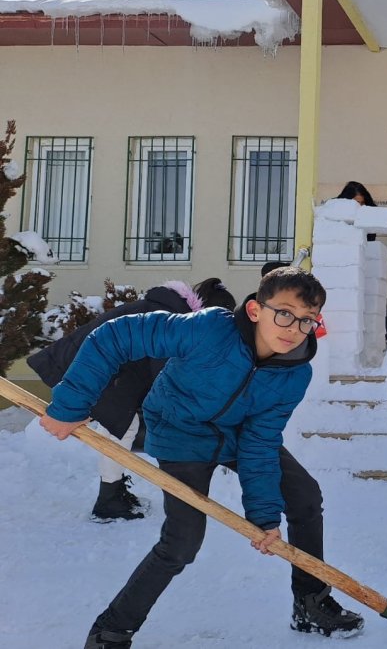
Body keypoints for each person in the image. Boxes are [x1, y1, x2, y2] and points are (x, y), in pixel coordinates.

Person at [39, 267, 364, 648]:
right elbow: (117, 335)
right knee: (182, 542)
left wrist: (263, 517)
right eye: (285, 313)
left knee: (305, 494)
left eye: (307, 320)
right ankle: (112, 629)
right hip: (180, 433)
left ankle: (312, 602)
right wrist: (70, 405)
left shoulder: (294, 373)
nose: (294, 328)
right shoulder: (207, 329)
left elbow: (260, 441)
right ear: (257, 310)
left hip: (240, 433)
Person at [27, 278, 237, 521]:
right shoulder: (176, 319)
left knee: (121, 427)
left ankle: (111, 494)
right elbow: (165, 378)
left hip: (96, 368)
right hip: (92, 370)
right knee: (122, 428)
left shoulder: (167, 305)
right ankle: (108, 501)